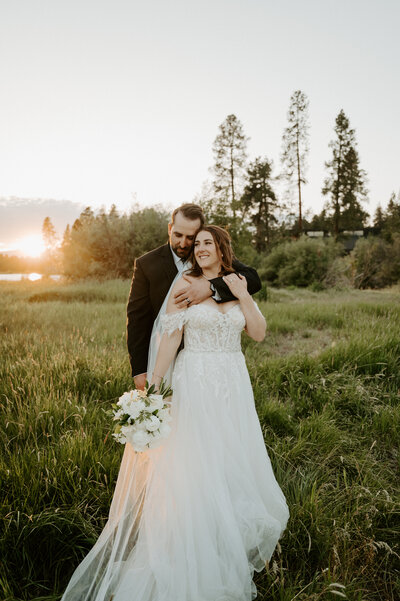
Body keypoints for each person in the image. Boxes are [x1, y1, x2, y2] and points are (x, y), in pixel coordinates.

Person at [60, 225, 289, 601]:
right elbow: (170, 339)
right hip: (194, 382)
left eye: (205, 243)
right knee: (193, 463)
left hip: (232, 385)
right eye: (195, 244)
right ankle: (187, 541)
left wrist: (243, 294)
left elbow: (259, 333)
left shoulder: (236, 282)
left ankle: (223, 538)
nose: (198, 249)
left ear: (221, 248)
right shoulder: (184, 284)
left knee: (229, 461)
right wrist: (153, 389)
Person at [126, 203, 262, 389]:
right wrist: (139, 370)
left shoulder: (210, 255)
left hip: (211, 364)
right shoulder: (147, 264)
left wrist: (211, 287)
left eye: (191, 238)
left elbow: (252, 279)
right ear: (169, 228)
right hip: (163, 352)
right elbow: (137, 319)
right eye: (178, 235)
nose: (183, 243)